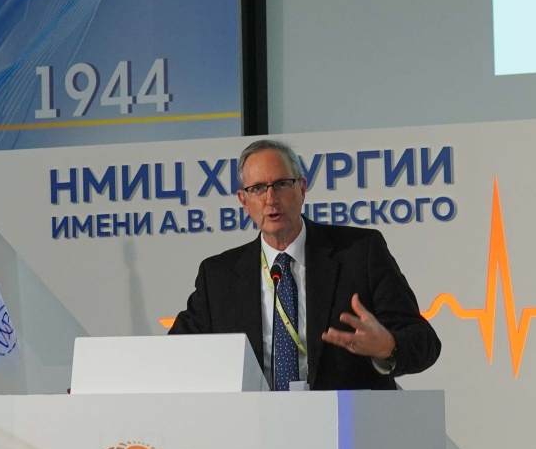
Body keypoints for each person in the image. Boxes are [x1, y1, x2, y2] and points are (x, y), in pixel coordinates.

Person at [168, 138, 440, 390]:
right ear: (244, 201)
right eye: (258, 188)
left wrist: (388, 347)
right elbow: (176, 354)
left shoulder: (360, 253)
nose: (271, 199)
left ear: (301, 189)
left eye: (281, 184)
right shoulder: (219, 276)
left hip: (346, 419)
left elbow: (424, 341)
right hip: (255, 421)